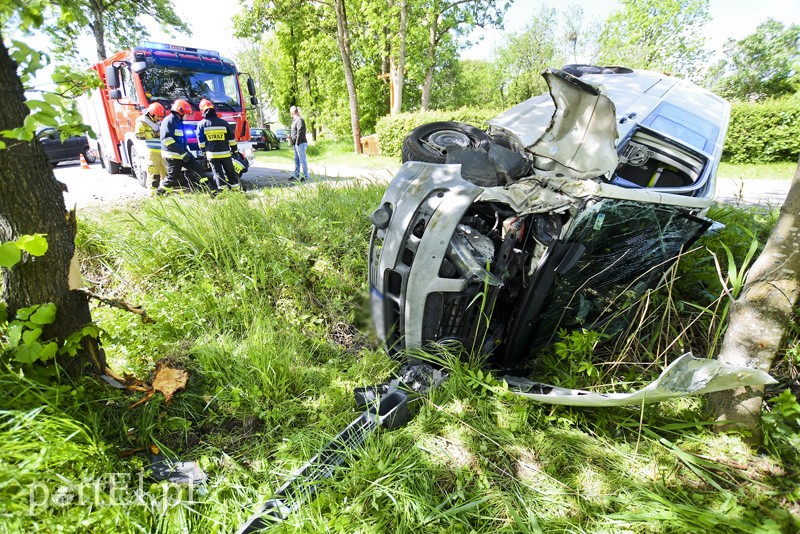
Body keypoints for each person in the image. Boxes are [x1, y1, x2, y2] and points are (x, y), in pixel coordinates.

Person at [159, 99, 214, 193]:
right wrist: (182, 152)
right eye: (186, 114)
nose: (188, 116)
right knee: (172, 178)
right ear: (180, 111)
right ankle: (159, 193)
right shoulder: (168, 121)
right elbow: (167, 140)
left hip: (182, 153)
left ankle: (210, 190)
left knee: (198, 169)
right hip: (173, 155)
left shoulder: (178, 121)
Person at [196, 98, 240, 189]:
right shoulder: (224, 123)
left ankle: (223, 192)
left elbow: (201, 142)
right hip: (225, 154)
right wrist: (235, 151)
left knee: (218, 174)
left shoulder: (202, 124)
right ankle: (236, 189)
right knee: (230, 171)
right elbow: (231, 139)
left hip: (212, 155)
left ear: (202, 111)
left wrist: (203, 153)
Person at [134, 102, 167, 191]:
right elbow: (138, 135)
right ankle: (153, 195)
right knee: (154, 175)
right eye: (158, 116)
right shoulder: (142, 121)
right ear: (151, 114)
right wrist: (154, 134)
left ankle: (164, 193)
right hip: (152, 152)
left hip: (162, 151)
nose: (159, 118)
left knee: (165, 173)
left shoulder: (158, 121)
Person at [289, 105, 308, 181]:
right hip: (296, 143)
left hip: (300, 143)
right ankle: (296, 175)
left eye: (291, 113)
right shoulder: (295, 120)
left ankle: (305, 176)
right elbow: (295, 132)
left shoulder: (299, 120)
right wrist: (291, 138)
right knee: (296, 160)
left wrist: (297, 142)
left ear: (292, 112)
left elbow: (300, 132)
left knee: (302, 160)